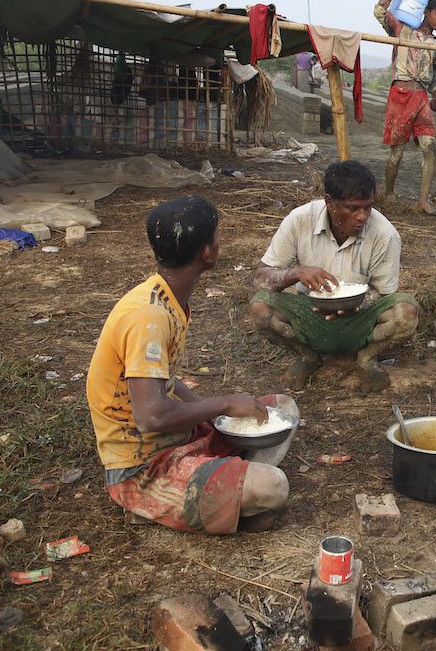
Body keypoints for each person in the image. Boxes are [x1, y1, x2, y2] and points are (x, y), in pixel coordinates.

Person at [86, 196, 290, 534]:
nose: (219, 244)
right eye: (217, 237)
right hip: (143, 466)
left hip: (179, 438)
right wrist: (223, 404)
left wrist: (214, 415)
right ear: (207, 253)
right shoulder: (148, 316)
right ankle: (171, 501)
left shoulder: (165, 298)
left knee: (282, 408)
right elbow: (150, 416)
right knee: (273, 486)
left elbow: (164, 381)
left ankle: (227, 491)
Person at [249, 160, 419, 392]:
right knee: (259, 307)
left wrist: (356, 304)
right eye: (353, 208)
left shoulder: (385, 234)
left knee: (406, 312)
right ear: (329, 202)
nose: (362, 217)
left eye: (368, 207)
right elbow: (261, 277)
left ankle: (366, 359)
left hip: (359, 317)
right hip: (309, 310)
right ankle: (307, 356)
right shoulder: (300, 220)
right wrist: (296, 273)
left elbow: (385, 293)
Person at [374, 0, 436, 215]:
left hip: (420, 97)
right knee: (396, 152)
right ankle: (388, 193)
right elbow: (379, 10)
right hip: (400, 95)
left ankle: (422, 201)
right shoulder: (402, 30)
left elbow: (434, 78)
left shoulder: (434, 45)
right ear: (426, 11)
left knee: (429, 146)